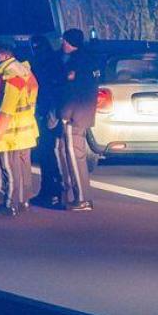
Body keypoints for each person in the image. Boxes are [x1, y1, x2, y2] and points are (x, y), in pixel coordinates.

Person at [0, 38, 39, 215]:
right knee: (20, 166)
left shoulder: (11, 74)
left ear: (4, 53)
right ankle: (22, 201)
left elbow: (6, 108)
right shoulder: (24, 70)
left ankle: (9, 204)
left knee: (8, 167)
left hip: (10, 129)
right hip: (24, 127)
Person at [53, 27, 96, 211]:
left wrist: (64, 114)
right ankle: (77, 194)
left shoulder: (76, 63)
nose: (63, 44)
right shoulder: (89, 60)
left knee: (74, 154)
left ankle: (82, 198)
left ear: (72, 43)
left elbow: (72, 92)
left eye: (65, 41)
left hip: (74, 116)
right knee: (71, 153)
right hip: (83, 114)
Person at [28, 34, 66, 207]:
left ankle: (54, 190)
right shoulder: (53, 61)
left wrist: (50, 113)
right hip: (44, 111)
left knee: (48, 154)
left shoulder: (46, 63)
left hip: (46, 111)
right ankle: (49, 190)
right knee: (46, 154)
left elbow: (51, 90)